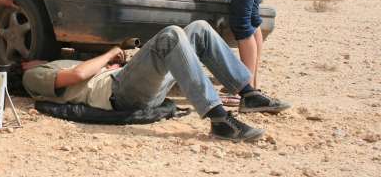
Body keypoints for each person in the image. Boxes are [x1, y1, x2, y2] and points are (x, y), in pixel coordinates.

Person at [22, 21, 290, 142]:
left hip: (123, 82)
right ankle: (219, 119)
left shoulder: (57, 62)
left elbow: (85, 74)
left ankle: (248, 93)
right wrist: (110, 53)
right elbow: (79, 76)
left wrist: (112, 65)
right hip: (118, 93)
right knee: (170, 35)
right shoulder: (32, 75)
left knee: (199, 29)